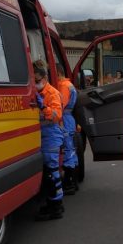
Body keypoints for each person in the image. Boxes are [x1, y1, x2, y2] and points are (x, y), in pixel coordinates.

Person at [33, 60, 65, 219]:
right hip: (43, 135)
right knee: (48, 172)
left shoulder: (51, 93)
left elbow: (56, 115)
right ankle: (54, 203)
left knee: (52, 172)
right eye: (33, 81)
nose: (35, 84)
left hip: (51, 135)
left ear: (45, 78)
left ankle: (56, 207)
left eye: (37, 81)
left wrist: (44, 108)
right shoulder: (38, 93)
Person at [56, 63, 78, 196]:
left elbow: (60, 105)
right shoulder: (69, 84)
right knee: (71, 151)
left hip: (65, 119)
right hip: (69, 119)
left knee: (67, 151)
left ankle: (69, 182)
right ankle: (73, 181)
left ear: (57, 73)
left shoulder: (63, 86)